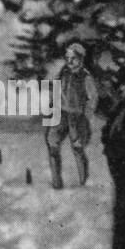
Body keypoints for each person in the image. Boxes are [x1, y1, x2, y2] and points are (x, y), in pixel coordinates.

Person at [47, 41, 98, 189]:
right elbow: (57, 88)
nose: (69, 61)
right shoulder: (64, 73)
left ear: (80, 59)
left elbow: (92, 98)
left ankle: (84, 181)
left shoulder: (85, 77)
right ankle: (56, 182)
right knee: (52, 143)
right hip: (61, 113)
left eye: (73, 58)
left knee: (77, 148)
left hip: (77, 117)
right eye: (67, 58)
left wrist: (86, 116)